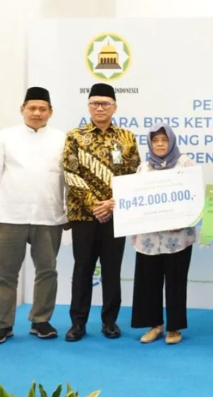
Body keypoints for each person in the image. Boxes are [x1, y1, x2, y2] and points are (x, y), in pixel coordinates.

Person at [0, 87, 67, 345]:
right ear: (22, 109)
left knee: (47, 271)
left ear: (50, 112)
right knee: (4, 274)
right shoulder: (5, 137)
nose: (37, 113)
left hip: (49, 216)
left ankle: (41, 321)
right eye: (32, 108)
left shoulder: (62, 139)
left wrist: (68, 211)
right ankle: (2, 325)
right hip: (10, 215)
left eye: (42, 109)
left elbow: (69, 179)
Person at [63, 83, 141, 341]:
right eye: (95, 103)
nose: (100, 108)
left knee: (111, 271)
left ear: (114, 107)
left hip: (116, 214)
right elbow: (71, 174)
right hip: (84, 216)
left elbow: (134, 175)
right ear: (88, 106)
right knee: (82, 270)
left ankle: (110, 322)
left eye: (105, 103)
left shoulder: (127, 137)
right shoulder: (75, 136)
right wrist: (96, 205)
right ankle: (77, 324)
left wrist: (112, 203)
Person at [131, 124, 196, 345]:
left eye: (164, 140)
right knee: (149, 282)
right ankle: (155, 325)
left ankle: (174, 328)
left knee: (176, 282)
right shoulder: (144, 167)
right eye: (155, 140)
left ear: (172, 141)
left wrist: (182, 218)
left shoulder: (184, 164)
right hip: (148, 238)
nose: (160, 144)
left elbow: (194, 197)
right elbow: (135, 200)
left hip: (178, 238)